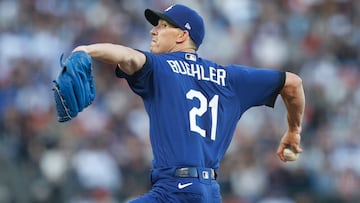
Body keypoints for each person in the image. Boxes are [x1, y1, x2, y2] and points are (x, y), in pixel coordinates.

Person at [72, 4, 305, 203]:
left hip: (174, 190)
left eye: (163, 26)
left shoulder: (161, 66)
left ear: (182, 35)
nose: (153, 31)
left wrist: (86, 50)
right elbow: (293, 83)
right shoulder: (231, 78)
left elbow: (127, 56)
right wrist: (293, 130)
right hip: (210, 192)